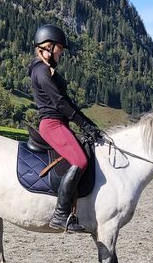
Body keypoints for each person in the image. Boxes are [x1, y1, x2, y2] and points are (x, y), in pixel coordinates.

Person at [28, 24, 101, 233]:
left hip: (60, 123)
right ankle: (61, 215)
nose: (61, 52)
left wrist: (88, 123)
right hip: (52, 124)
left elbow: (67, 101)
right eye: (59, 48)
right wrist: (83, 123)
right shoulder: (40, 70)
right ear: (48, 47)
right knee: (80, 160)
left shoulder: (46, 70)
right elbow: (60, 103)